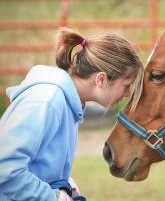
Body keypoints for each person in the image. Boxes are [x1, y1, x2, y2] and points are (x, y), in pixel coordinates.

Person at [0, 27, 144, 200]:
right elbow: (5, 168)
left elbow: (39, 163)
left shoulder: (69, 104)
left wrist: (64, 182)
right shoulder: (47, 101)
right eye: (126, 85)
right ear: (101, 79)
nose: (127, 93)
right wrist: (53, 197)